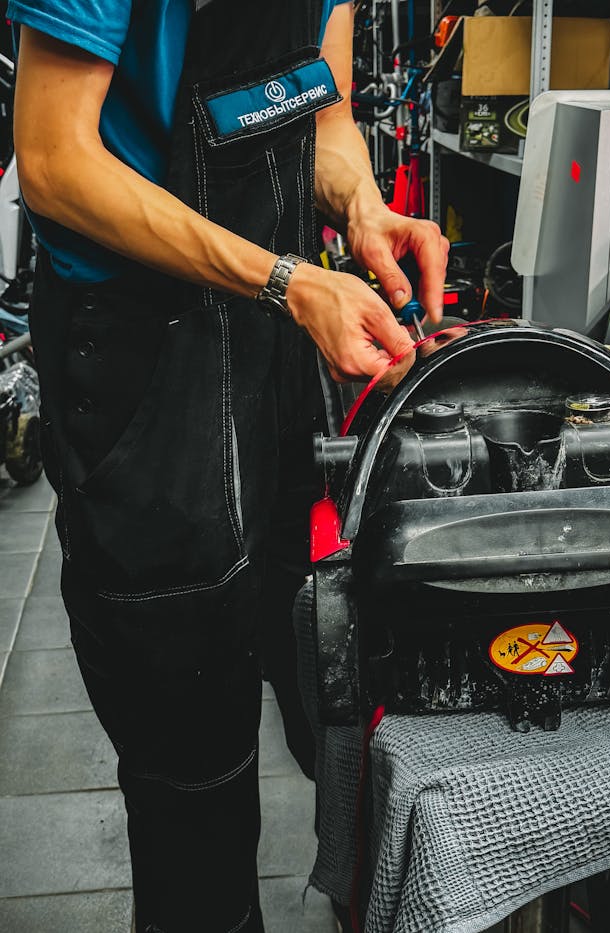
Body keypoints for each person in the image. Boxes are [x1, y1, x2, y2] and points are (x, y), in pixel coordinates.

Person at [10, 0, 449, 929]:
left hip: (272, 353)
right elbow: (52, 161)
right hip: (143, 368)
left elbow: (319, 117)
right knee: (193, 790)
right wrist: (287, 280)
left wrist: (365, 211)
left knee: (334, 679)